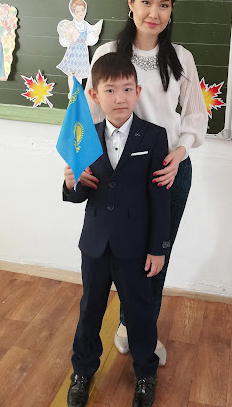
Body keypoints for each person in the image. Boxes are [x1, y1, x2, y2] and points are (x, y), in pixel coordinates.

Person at [83, 0, 208, 362]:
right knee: (121, 255)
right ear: (131, 4)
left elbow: (195, 115)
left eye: (164, 5)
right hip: (121, 174)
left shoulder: (181, 58)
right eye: (146, 2)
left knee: (156, 256)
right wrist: (80, 163)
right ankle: (131, 324)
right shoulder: (108, 53)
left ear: (171, 11)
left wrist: (180, 152)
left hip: (167, 171)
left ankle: (140, 328)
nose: (154, 13)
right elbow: (89, 114)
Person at [63, 52, 170, 407]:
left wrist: (158, 248)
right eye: (110, 90)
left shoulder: (153, 137)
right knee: (89, 311)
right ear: (95, 95)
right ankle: (82, 370)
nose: (120, 98)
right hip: (95, 244)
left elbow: (159, 198)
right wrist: (71, 183)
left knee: (139, 312)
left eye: (126, 89)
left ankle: (145, 373)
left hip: (135, 246)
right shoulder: (86, 137)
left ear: (137, 92)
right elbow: (81, 193)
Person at [56, 0, 103, 96]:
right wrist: (66, 37)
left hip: (82, 52)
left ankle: (77, 92)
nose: (81, 13)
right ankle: (71, 91)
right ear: (73, 12)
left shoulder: (85, 25)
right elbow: (65, 40)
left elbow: (90, 39)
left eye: (82, 10)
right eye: (78, 11)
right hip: (73, 52)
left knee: (79, 74)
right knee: (71, 73)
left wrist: (95, 34)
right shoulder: (70, 25)